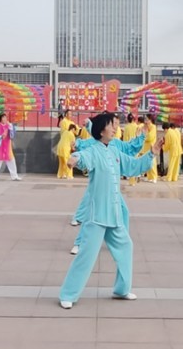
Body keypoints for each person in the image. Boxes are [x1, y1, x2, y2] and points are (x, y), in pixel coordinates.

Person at [59, 113, 161, 309]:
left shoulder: (114, 151)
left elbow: (133, 166)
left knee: (126, 247)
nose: (115, 129)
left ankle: (121, 290)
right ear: (101, 130)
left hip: (114, 215)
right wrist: (74, 159)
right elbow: (83, 157)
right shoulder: (94, 150)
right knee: (86, 256)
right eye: (111, 126)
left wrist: (152, 153)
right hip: (97, 217)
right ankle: (68, 294)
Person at [69, 116, 145, 253]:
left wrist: (140, 138)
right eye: (112, 124)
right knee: (90, 214)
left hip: (113, 189)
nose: (115, 127)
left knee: (123, 211)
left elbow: (130, 149)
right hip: (99, 187)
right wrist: (77, 151)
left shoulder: (116, 144)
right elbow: (85, 151)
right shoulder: (95, 143)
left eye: (116, 124)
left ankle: (121, 242)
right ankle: (79, 243)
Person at [0, 113, 21, 182]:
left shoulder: (9, 126)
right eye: (3, 117)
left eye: (5, 117)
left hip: (7, 147)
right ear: (0, 119)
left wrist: (10, 128)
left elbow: (12, 135)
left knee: (12, 161)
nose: (5, 119)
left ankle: (14, 176)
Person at [141, 114, 158, 183]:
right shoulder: (145, 127)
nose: (146, 121)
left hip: (151, 147)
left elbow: (150, 137)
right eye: (145, 119)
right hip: (146, 146)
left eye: (147, 119)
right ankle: (149, 177)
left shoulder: (153, 127)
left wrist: (145, 136)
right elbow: (142, 134)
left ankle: (154, 177)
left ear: (150, 120)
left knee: (152, 162)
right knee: (147, 162)